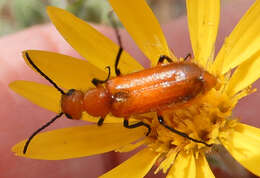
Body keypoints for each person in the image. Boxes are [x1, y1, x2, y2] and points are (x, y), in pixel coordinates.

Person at [0, 0, 258, 177]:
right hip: (186, 75)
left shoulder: (122, 115)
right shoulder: (111, 82)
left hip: (187, 83)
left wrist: (148, 127)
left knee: (155, 115)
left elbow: (141, 121)